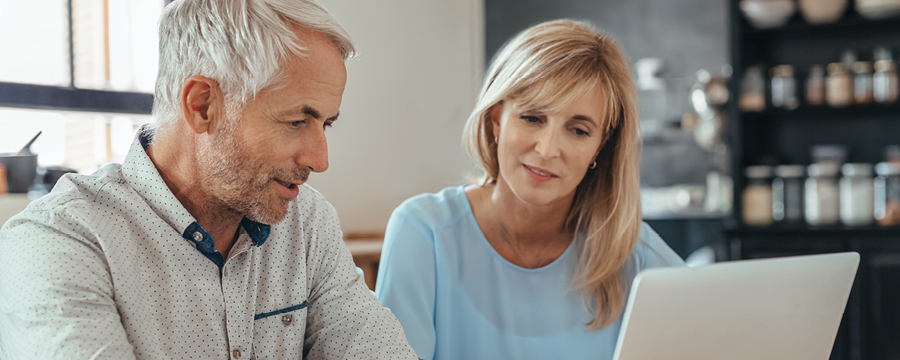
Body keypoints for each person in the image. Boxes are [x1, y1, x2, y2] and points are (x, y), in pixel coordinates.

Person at [0, 1, 416, 359]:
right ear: (202, 106)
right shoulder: (59, 242)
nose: (320, 160)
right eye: (295, 121)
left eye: (326, 124)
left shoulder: (307, 223)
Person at [375, 19, 685, 360]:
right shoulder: (424, 234)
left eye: (579, 130)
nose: (548, 149)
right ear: (497, 118)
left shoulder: (634, 254)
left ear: (601, 146)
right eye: (533, 118)